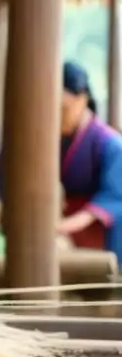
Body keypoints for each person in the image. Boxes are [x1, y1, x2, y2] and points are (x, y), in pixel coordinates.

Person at [57, 61, 122, 259]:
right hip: (66, 229)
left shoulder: (110, 143)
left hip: (101, 234)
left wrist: (62, 226)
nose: (58, 117)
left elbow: (113, 197)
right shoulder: (55, 139)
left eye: (63, 109)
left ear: (82, 98)